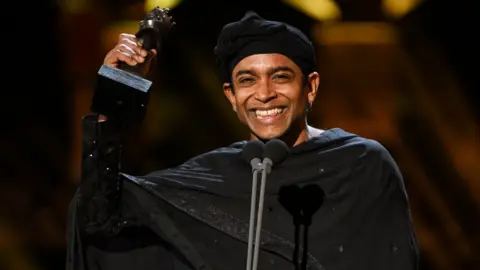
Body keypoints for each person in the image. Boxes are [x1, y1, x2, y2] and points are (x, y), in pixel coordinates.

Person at [66, 11, 419, 270]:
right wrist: (118, 92)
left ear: (310, 87)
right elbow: (98, 214)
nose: (264, 94)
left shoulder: (362, 165)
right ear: (231, 96)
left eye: (280, 77)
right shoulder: (212, 176)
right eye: (247, 81)